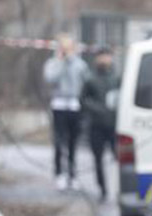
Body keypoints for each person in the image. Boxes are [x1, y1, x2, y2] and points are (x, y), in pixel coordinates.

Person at [43, 34, 90, 191]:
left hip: (74, 105)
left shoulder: (79, 64)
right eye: (63, 48)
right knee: (59, 141)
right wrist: (62, 63)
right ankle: (59, 174)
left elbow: (85, 81)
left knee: (72, 142)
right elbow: (51, 78)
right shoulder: (53, 63)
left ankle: (72, 174)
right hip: (59, 105)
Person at [81, 47, 119, 202]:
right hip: (96, 125)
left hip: (115, 125)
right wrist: (97, 109)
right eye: (101, 56)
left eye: (107, 56)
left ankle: (119, 189)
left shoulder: (117, 77)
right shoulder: (90, 78)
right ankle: (102, 189)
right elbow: (83, 100)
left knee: (120, 159)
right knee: (98, 159)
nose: (104, 59)